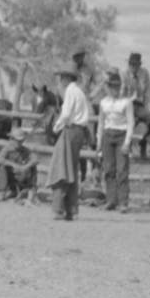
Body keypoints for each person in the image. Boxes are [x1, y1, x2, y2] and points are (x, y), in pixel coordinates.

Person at [47, 63, 92, 220]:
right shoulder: (79, 92)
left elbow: (66, 115)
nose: (60, 81)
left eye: (61, 78)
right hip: (79, 132)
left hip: (70, 130)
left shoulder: (70, 92)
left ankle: (58, 209)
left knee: (61, 168)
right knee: (71, 169)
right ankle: (72, 209)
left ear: (66, 78)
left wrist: (56, 127)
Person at [97, 67, 134, 213]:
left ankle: (123, 202)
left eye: (117, 87)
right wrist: (99, 142)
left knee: (122, 169)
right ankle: (111, 200)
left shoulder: (126, 102)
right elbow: (100, 123)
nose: (114, 89)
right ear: (108, 87)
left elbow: (131, 122)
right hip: (107, 134)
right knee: (109, 169)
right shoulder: (103, 103)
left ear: (120, 87)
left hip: (121, 135)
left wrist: (127, 142)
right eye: (112, 86)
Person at [120, 51, 150, 158]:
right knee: (128, 124)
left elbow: (147, 92)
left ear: (139, 64)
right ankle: (127, 146)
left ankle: (144, 141)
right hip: (126, 104)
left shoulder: (144, 73)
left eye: (135, 64)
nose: (132, 66)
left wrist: (148, 110)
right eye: (131, 64)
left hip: (139, 105)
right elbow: (121, 93)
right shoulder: (123, 73)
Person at [0, 126, 39, 204]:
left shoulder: (25, 150)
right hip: (11, 176)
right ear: (12, 139)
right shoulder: (7, 149)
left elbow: (35, 159)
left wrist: (26, 166)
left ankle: (32, 190)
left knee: (33, 167)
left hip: (22, 176)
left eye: (21, 141)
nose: (19, 143)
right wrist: (13, 165)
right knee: (2, 167)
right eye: (17, 141)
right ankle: (1, 192)